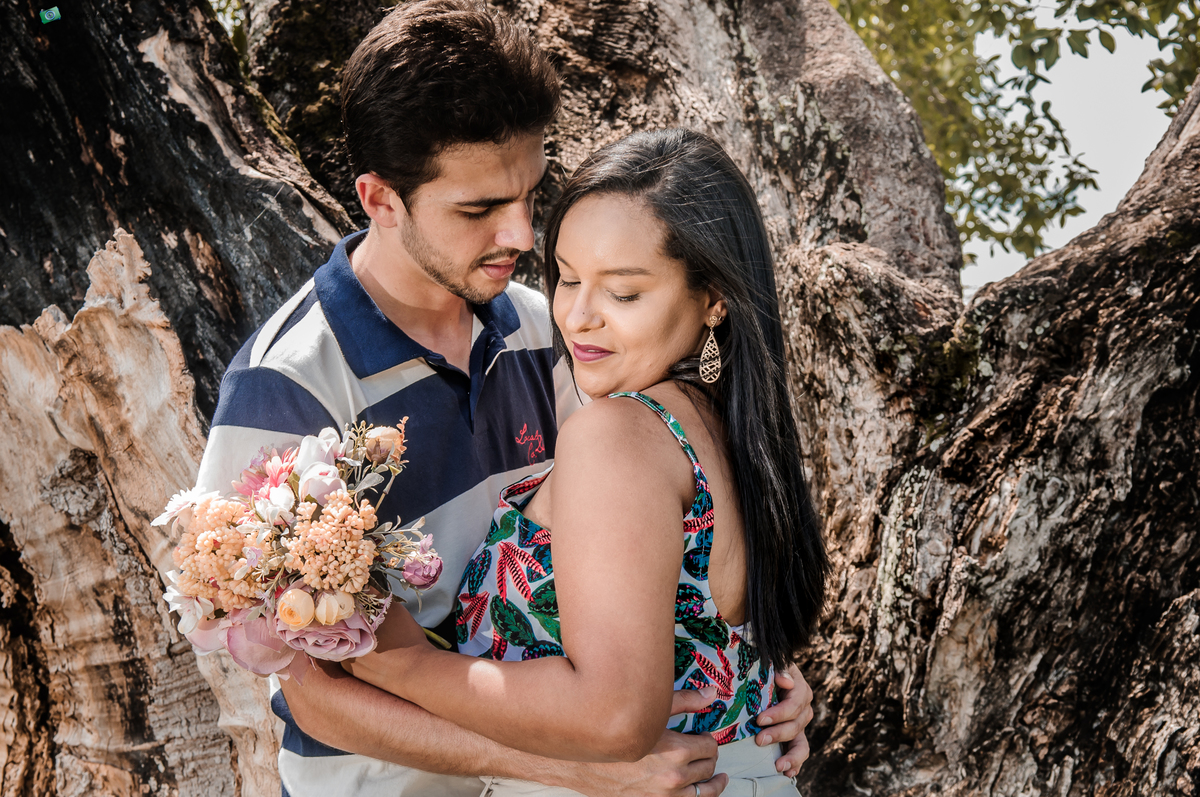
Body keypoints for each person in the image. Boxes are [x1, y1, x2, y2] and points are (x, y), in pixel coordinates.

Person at [193, 2, 815, 796]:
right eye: (479, 209)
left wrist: (745, 675)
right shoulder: (286, 382)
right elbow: (314, 691)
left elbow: (649, 551)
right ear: (381, 200)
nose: (521, 234)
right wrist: (569, 766)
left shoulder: (552, 330)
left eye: (529, 192)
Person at [343, 128, 829, 796]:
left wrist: (401, 661)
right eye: (568, 278)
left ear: (713, 296)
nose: (577, 317)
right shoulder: (728, 429)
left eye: (623, 294)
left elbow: (614, 717)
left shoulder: (617, 434)